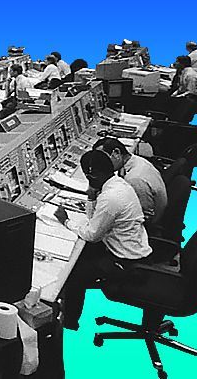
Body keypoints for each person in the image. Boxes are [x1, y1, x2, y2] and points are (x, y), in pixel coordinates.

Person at [55, 150, 153, 331]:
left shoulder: (110, 198)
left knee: (73, 274)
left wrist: (66, 221)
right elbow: (94, 221)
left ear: (91, 176)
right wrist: (91, 196)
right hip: (132, 248)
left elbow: (92, 235)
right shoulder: (118, 184)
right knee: (81, 254)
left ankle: (69, 322)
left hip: (126, 262)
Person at [93, 137, 167, 220]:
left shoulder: (134, 180)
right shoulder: (136, 160)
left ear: (117, 153)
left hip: (147, 222)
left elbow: (144, 217)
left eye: (103, 159)